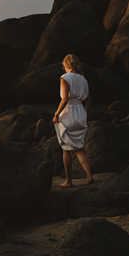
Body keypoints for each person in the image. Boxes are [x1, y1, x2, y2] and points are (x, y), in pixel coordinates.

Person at [52, 54, 94, 187]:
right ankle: (89, 175)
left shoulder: (65, 78)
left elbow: (65, 99)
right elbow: (89, 101)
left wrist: (57, 114)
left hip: (68, 113)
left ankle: (69, 181)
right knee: (78, 148)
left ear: (67, 65)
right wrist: (85, 116)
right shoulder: (83, 79)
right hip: (80, 112)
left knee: (66, 149)